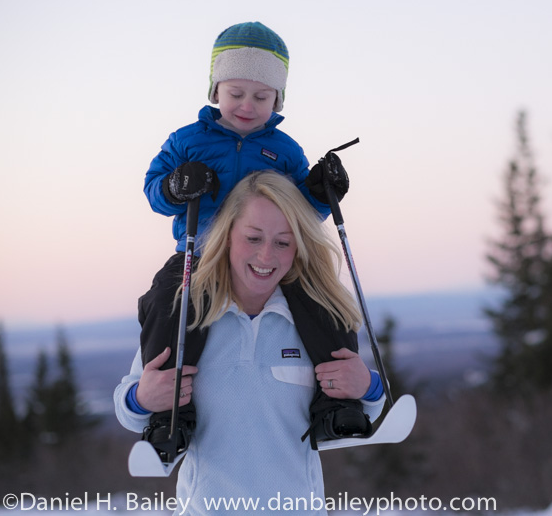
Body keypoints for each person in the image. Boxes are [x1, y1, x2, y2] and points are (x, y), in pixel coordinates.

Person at [138, 21, 356, 460]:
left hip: (268, 256)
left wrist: (320, 193)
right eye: (237, 93)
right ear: (215, 89)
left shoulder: (285, 150)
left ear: (278, 99)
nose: (247, 105)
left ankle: (338, 400)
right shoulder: (187, 141)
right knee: (168, 303)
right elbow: (153, 190)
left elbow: (299, 216)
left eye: (261, 96)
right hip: (198, 254)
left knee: (323, 301)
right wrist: (177, 187)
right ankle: (169, 413)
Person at [116, 171, 385, 514]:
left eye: (283, 242)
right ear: (227, 235)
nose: (266, 257)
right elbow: (127, 408)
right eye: (254, 238)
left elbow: (374, 411)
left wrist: (369, 386)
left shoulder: (315, 323)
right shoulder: (186, 319)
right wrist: (139, 398)